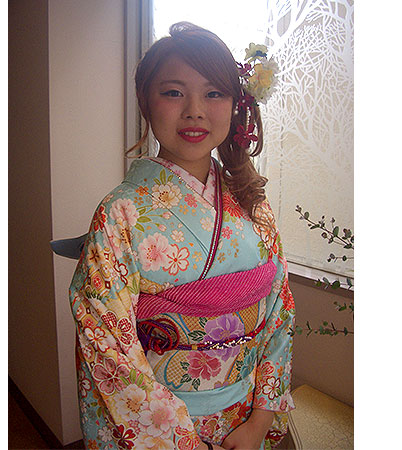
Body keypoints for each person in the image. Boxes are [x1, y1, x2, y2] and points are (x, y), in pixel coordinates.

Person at [69, 22, 295, 450]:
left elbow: (279, 313)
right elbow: (107, 344)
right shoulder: (120, 214)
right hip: (163, 431)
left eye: (214, 93)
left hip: (245, 419)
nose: (195, 110)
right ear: (146, 102)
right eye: (173, 92)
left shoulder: (251, 204)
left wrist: (260, 421)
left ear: (236, 104)